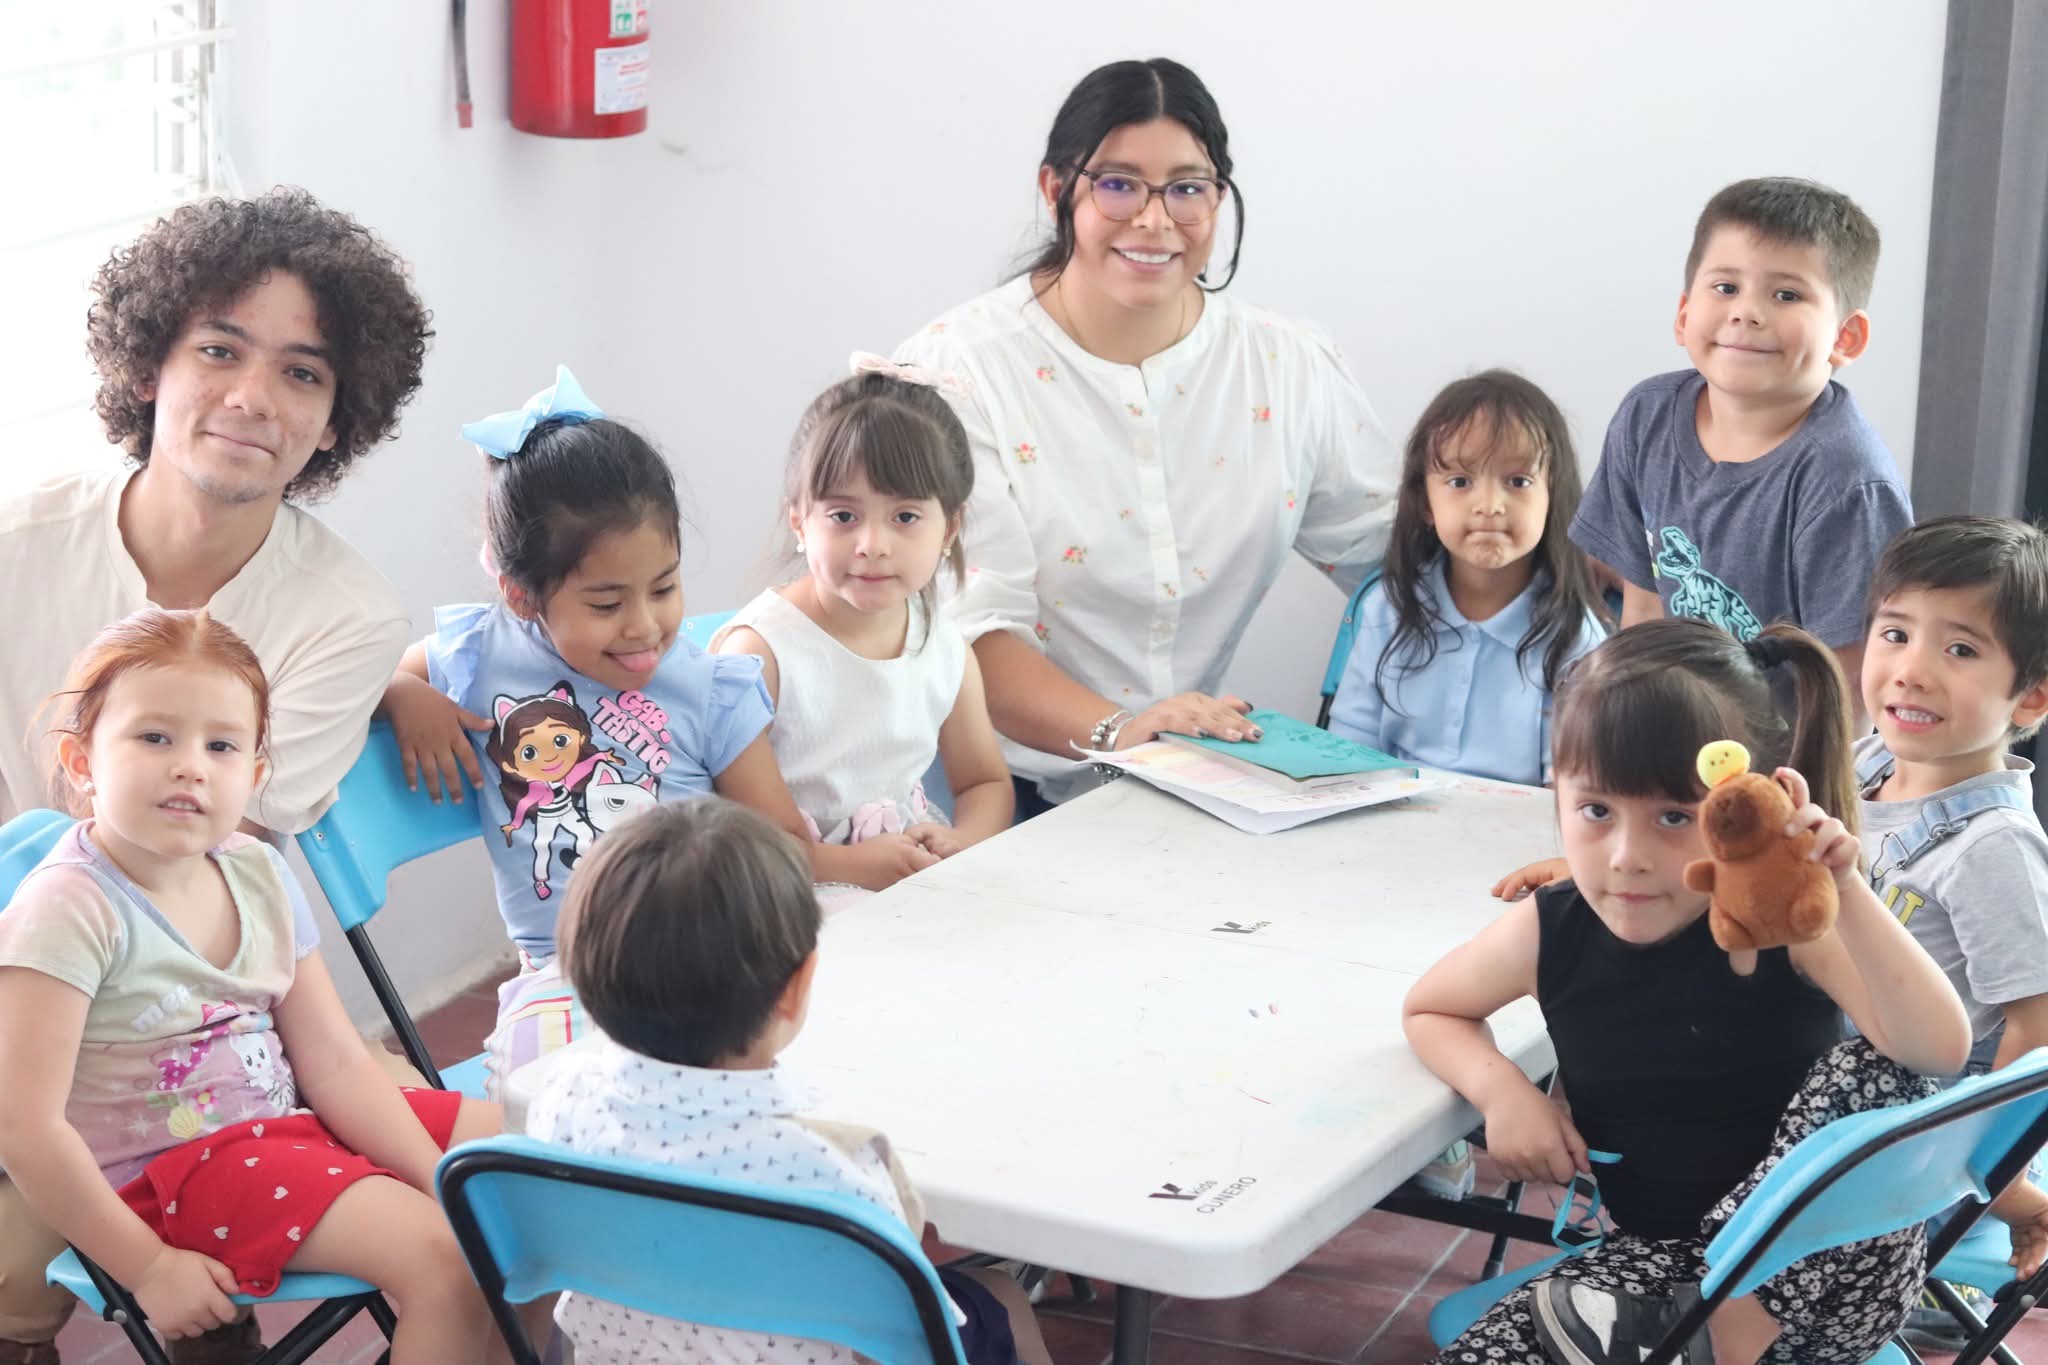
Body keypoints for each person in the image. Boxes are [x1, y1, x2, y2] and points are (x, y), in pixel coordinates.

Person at [0, 187, 431, 1365]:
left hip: (185, 1010)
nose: (251, 398)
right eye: (218, 350)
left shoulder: (343, 613)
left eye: (302, 373)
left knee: (473, 1181)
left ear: (339, 419)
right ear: (150, 366)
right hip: (29, 995)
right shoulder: (18, 545)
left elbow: (219, 855)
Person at [1406, 618, 1970, 1364]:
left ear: (1743, 806)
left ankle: (1719, 1340)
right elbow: (1430, 1006)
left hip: (1830, 1281)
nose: (1629, 857)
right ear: (1559, 789)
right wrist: (1505, 1090)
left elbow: (1939, 1048)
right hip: (1658, 1274)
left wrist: (1844, 889)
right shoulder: (1550, 929)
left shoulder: (1782, 926)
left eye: (1675, 817)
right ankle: (1696, 1336)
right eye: (1596, 810)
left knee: (1874, 1073)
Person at [894, 57, 1397, 814]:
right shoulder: (957, 374)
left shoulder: (1285, 365)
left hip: (1195, 785)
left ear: (1219, 199)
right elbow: (968, 637)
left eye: (1187, 188)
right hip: (993, 791)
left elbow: (1399, 555)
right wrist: (1128, 731)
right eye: (1120, 184)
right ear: (1057, 190)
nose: (1155, 220)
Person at [0, 611, 500, 1364]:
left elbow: (334, 1062)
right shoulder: (68, 908)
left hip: (290, 1129)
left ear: (255, 773)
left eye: (221, 744)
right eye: (154, 737)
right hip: (178, 1177)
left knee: (528, 1174)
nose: (190, 765)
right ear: (80, 759)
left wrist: (435, 1176)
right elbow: (26, 1127)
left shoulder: (256, 871)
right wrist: (148, 1267)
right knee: (446, 1257)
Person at [382, 366, 809, 1093]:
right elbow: (366, 678)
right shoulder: (480, 653)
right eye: (608, 602)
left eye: (666, 587)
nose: (646, 626)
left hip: (705, 958)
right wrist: (400, 692)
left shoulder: (705, 686)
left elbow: (785, 843)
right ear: (521, 595)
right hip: (562, 972)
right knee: (565, 1107)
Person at [527, 798, 1054, 1364]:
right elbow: (901, 1345)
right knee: (1004, 1299)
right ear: (797, 986)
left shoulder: (557, 1099)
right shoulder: (833, 1167)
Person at [1568, 177, 1910, 693]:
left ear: (1846, 337)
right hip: (1672, 736)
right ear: (1684, 315)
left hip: (1790, 761)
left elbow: (1850, 680)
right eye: (1726, 287)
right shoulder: (1647, 416)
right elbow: (1643, 608)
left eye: (1787, 294)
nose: (1747, 312)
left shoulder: (1847, 480)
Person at [1853, 516, 2048, 1348]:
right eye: (1895, 632)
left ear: (2030, 698)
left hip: (1915, 1118)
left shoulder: (1994, 848)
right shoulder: (1866, 760)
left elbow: (2037, 1031)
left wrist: (1995, 1176)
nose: (1910, 670)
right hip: (1841, 1068)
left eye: (1960, 650)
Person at [711, 356, 1011, 893]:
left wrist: (963, 843)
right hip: (785, 891)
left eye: (905, 517)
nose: (872, 544)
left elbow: (985, 782)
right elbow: (748, 839)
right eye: (844, 516)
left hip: (905, 878)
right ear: (800, 521)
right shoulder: (759, 656)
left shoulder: (943, 648)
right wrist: (852, 867)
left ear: (950, 528)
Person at [1328, 369, 1606, 787]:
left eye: (1518, 481)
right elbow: (1347, 753)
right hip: (1387, 828)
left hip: (1515, 838)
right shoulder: (1386, 609)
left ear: (1553, 496)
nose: (1489, 505)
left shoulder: (1575, 639)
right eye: (1460, 481)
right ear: (1425, 502)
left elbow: (1571, 791)